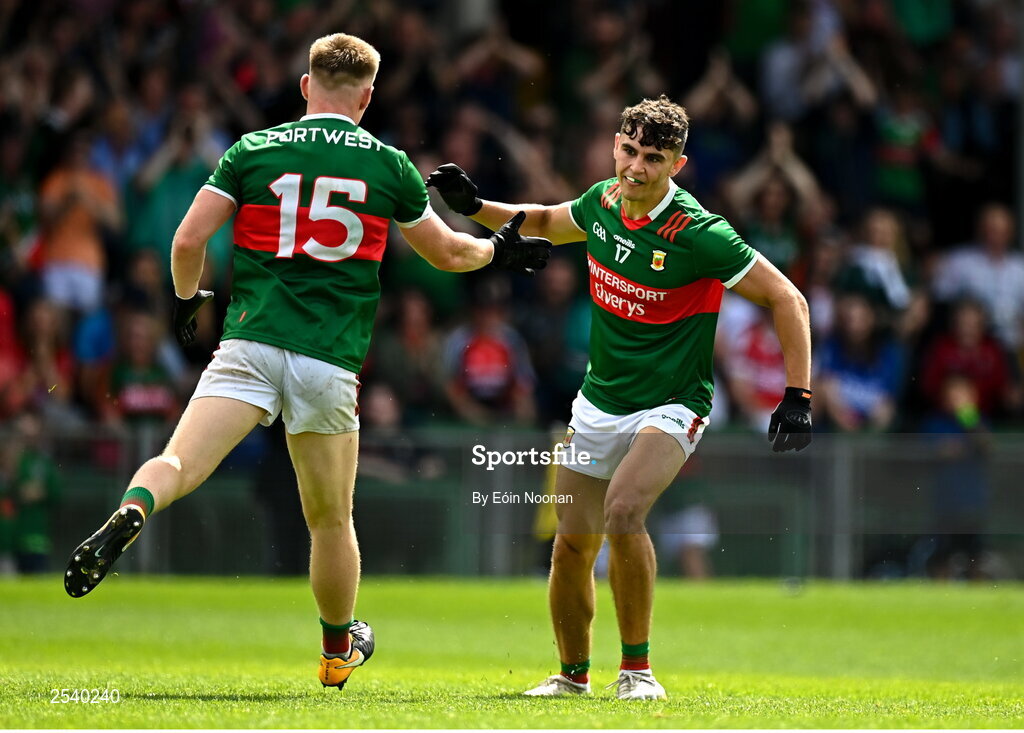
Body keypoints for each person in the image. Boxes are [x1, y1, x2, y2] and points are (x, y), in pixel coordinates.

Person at [63, 32, 551, 692]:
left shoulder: (253, 149)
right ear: (368, 96)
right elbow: (447, 254)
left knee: (179, 462)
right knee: (329, 519)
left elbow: (186, 240)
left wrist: (187, 305)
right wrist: (499, 252)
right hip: (328, 362)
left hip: (250, 344)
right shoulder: (388, 164)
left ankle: (135, 508)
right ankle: (334, 650)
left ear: (304, 86)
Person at [427, 95, 811, 700]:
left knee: (624, 512)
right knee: (571, 541)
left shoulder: (699, 232)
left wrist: (798, 393)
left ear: (677, 165)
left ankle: (637, 672)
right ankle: (571, 677)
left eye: (652, 158)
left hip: (673, 402)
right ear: (615, 144)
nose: (635, 167)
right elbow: (550, 220)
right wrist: (477, 208)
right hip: (598, 401)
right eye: (628, 151)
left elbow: (788, 298)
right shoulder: (604, 201)